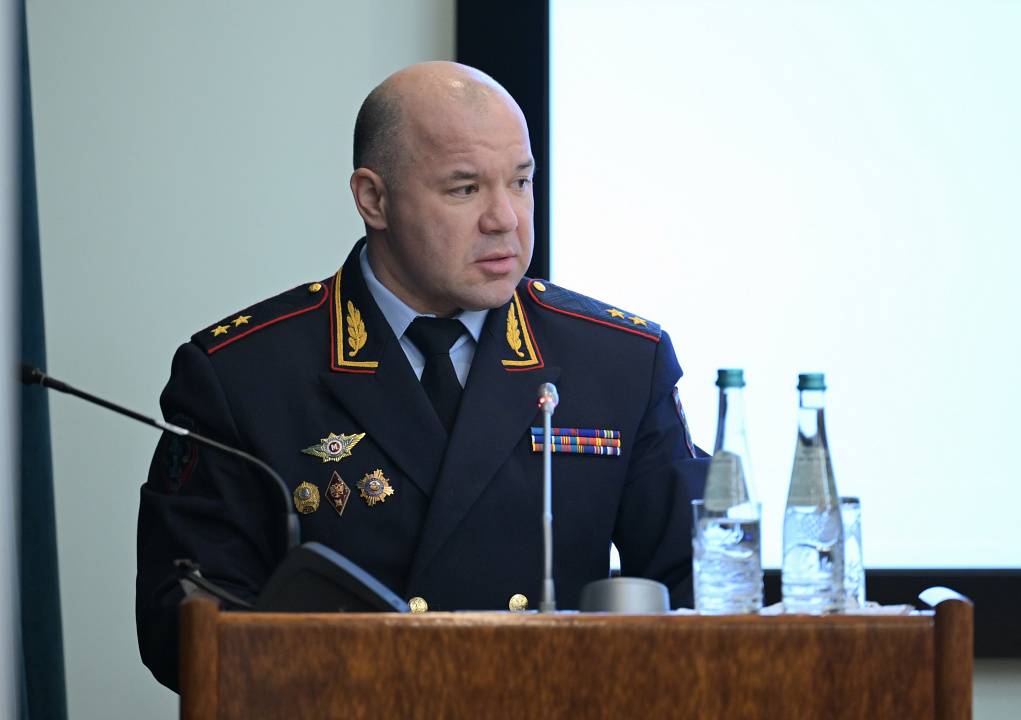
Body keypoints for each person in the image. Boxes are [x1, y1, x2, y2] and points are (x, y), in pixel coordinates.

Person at [136, 61, 707, 690]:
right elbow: (182, 624)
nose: (505, 219)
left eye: (520, 182)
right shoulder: (244, 373)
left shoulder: (620, 359)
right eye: (465, 189)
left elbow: (703, 582)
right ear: (373, 200)